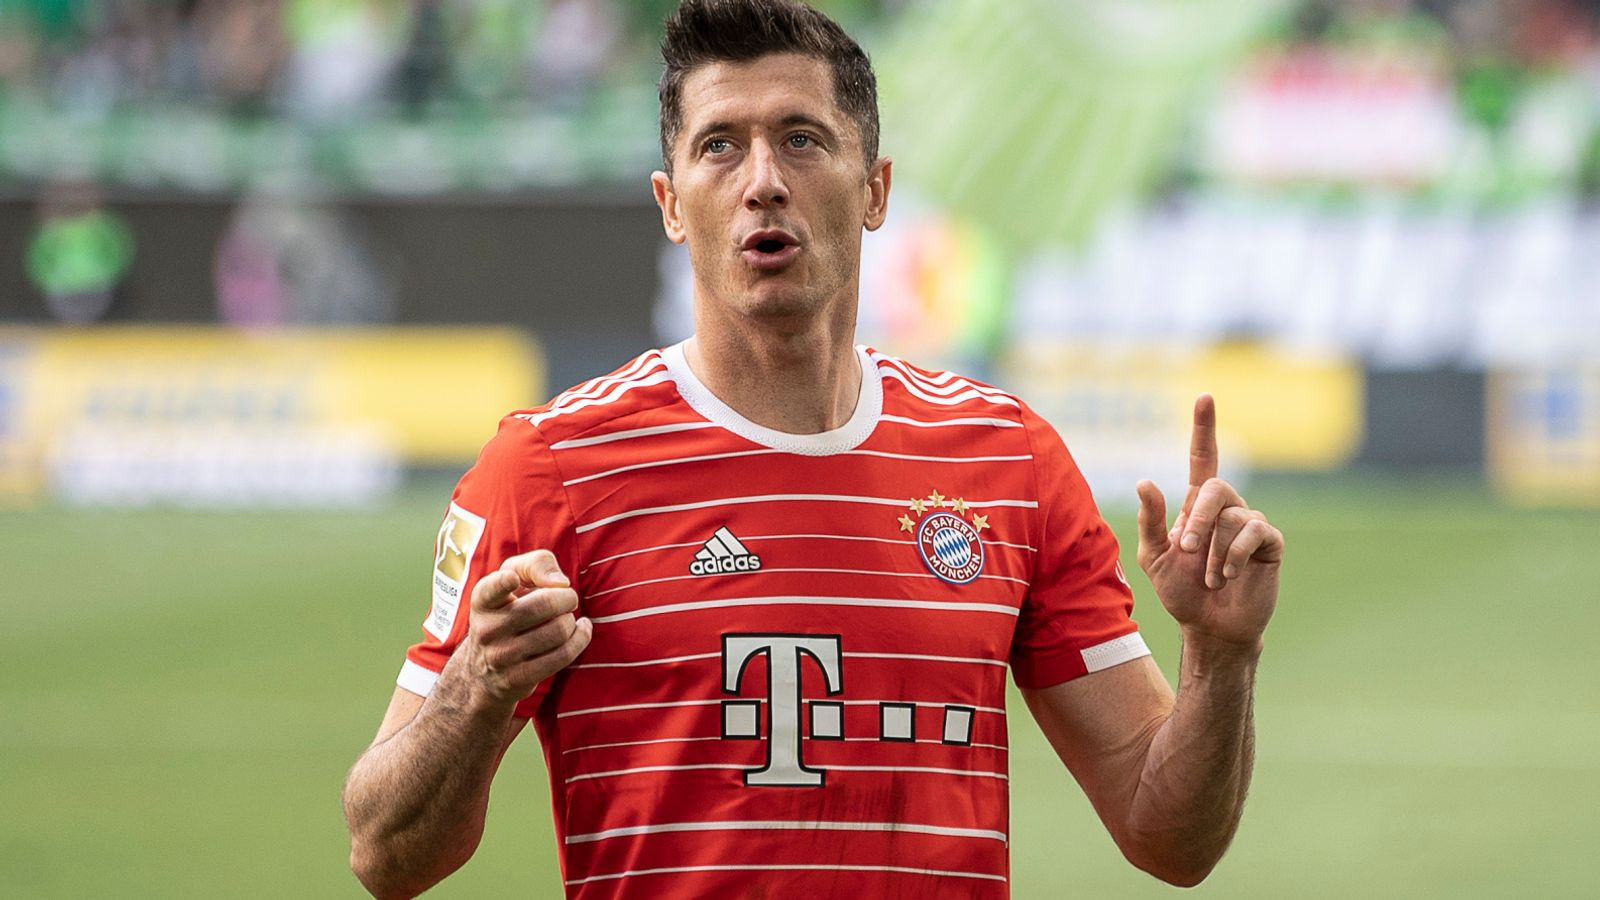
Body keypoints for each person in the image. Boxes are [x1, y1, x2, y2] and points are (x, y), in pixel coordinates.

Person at [341, 1, 1285, 897]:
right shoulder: (550, 468)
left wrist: (1220, 652)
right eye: (720, 146)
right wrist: (476, 685)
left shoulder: (1009, 460)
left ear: (875, 191)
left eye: (801, 138)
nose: (762, 180)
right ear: (672, 205)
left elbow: (1169, 836)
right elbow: (385, 852)